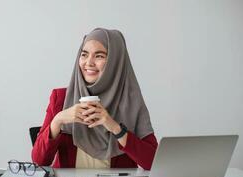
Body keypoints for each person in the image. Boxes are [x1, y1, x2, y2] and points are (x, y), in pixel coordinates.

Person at [32, 28, 158, 169]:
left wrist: (115, 127)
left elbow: (153, 163)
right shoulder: (61, 98)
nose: (89, 63)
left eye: (99, 56)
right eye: (84, 54)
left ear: (115, 61)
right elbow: (39, 161)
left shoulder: (131, 102)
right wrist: (58, 120)